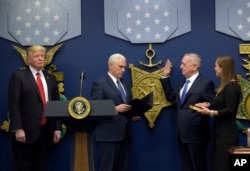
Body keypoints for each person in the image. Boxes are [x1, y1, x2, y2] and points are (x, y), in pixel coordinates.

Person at [8, 45, 62, 171]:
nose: (40, 59)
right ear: (29, 59)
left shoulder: (51, 78)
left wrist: (57, 129)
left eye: (42, 56)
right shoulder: (18, 76)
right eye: (36, 56)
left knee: (41, 166)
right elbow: (14, 104)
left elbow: (56, 104)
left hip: (45, 131)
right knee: (22, 167)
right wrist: (18, 128)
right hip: (24, 132)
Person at [160, 53, 215, 171]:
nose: (180, 66)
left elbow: (213, 102)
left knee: (198, 167)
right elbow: (171, 97)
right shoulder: (182, 83)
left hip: (197, 135)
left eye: (183, 64)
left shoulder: (206, 83)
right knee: (187, 167)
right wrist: (165, 77)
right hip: (182, 134)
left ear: (194, 66)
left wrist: (208, 104)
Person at [90, 53, 140, 171]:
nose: (123, 70)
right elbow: (96, 107)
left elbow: (128, 107)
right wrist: (115, 109)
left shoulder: (126, 85)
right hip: (108, 135)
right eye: (120, 67)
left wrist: (133, 115)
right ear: (111, 65)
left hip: (125, 135)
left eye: (124, 67)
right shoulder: (100, 83)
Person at [195, 55, 241, 171]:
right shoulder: (223, 86)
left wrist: (210, 112)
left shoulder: (231, 86)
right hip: (219, 132)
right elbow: (219, 104)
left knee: (223, 166)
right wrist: (207, 105)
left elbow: (229, 111)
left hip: (227, 134)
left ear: (222, 68)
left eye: (216, 66)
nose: (214, 68)